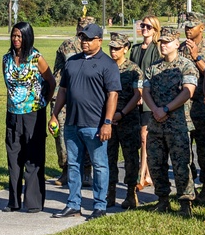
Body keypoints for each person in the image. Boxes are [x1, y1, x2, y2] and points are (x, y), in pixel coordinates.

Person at [50, 22, 120, 221]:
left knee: (99, 165)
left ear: (99, 40)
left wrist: (107, 122)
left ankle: (99, 206)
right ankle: (73, 204)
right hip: (72, 123)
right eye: (82, 37)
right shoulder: (72, 61)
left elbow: (112, 95)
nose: (85, 42)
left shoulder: (108, 64)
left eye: (89, 38)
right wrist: (55, 114)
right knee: (73, 164)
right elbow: (63, 91)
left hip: (95, 124)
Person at [142, 25, 197, 217]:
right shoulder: (153, 68)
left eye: (167, 42)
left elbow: (188, 91)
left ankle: (185, 203)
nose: (163, 45)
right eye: (161, 42)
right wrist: (156, 110)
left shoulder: (186, 65)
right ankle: (162, 200)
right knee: (156, 164)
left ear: (176, 43)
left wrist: (166, 108)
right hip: (156, 124)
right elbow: (145, 91)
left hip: (178, 125)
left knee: (181, 165)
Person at [3, 21, 53, 212]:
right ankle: (13, 201)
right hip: (13, 114)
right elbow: (9, 86)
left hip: (33, 114)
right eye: (14, 36)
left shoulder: (36, 58)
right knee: (14, 158)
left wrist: (43, 103)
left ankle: (33, 203)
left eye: (20, 36)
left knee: (34, 157)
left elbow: (51, 81)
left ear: (27, 37)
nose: (16, 39)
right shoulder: (6, 58)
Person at [106, 31, 143, 209]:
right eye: (111, 48)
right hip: (109, 120)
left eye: (117, 48)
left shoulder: (134, 70)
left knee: (130, 158)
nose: (113, 52)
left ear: (126, 49)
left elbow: (138, 95)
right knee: (108, 157)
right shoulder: (106, 67)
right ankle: (110, 193)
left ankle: (130, 194)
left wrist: (122, 113)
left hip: (128, 119)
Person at [179, 12, 205, 202]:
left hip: (202, 108)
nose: (188, 29)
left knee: (204, 151)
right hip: (182, 108)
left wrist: (196, 56)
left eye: (192, 26)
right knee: (184, 151)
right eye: (186, 26)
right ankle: (189, 189)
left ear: (202, 27)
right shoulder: (180, 48)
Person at [52, 19, 88, 187]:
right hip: (63, 94)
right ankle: (66, 169)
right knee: (61, 134)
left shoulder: (94, 46)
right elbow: (66, 67)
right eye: (82, 29)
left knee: (86, 131)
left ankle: (86, 171)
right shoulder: (68, 45)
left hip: (83, 96)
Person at [130, 15, 162, 190]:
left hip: (150, 97)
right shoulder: (135, 49)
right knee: (140, 137)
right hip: (136, 97)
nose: (144, 29)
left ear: (155, 30)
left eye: (148, 27)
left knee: (145, 137)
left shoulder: (157, 48)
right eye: (142, 26)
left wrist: (145, 92)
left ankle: (142, 176)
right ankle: (147, 174)